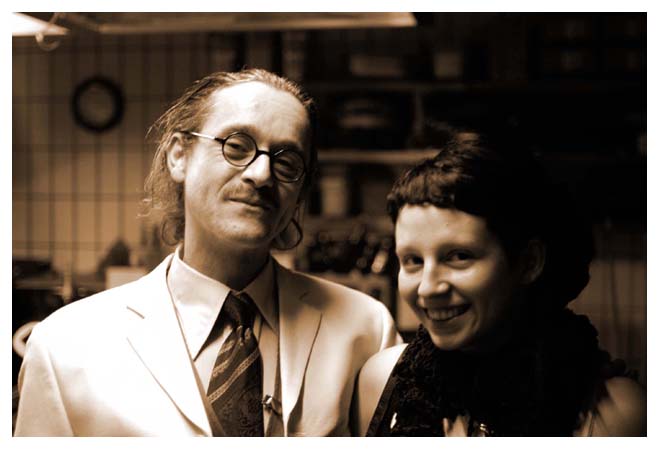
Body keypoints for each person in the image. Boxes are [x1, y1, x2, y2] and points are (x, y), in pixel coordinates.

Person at [14, 68, 401, 437]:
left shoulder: (365, 330)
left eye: (287, 162)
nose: (261, 174)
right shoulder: (65, 346)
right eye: (236, 147)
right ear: (178, 155)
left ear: (300, 192)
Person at [353, 131, 646, 437]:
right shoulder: (381, 383)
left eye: (459, 256)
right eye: (413, 260)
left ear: (529, 262)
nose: (428, 288)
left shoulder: (618, 415)